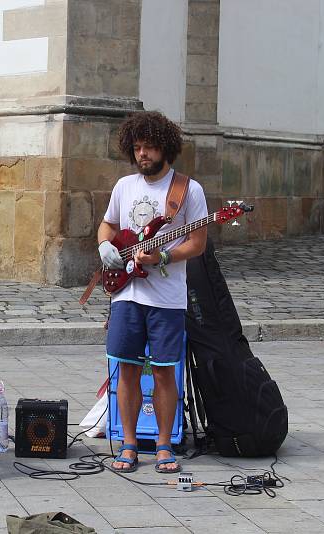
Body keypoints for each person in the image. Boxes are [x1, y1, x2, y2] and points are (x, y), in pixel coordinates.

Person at [97, 111, 207, 474]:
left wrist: (164, 255)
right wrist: (104, 246)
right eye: (137, 147)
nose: (142, 154)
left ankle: (163, 445)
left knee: (163, 372)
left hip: (166, 297)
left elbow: (197, 244)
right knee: (125, 370)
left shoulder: (188, 190)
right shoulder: (124, 186)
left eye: (149, 147)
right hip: (126, 294)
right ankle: (128, 444)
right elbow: (108, 224)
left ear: (166, 148)